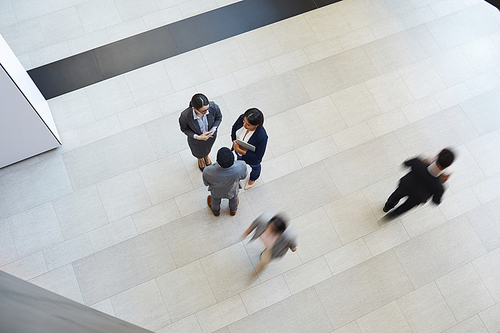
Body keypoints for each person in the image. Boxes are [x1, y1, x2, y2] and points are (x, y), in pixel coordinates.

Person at [383, 148, 456, 218]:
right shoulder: (439, 187)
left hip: (405, 185)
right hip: (417, 198)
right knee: (404, 208)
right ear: (447, 166)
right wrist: (442, 181)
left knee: (396, 196)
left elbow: (405, 164)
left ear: (438, 155)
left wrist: (424, 161)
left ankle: (387, 207)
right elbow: (435, 201)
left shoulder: (417, 162)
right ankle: (392, 215)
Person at [241, 212, 297, 278]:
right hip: (267, 243)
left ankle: (260, 269)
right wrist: (247, 232)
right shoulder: (263, 219)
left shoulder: (288, 236)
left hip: (273, 250)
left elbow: (293, 247)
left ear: (281, 232)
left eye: (275, 231)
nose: (271, 232)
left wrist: (293, 248)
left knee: (264, 260)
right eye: (271, 228)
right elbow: (254, 225)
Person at [179, 93, 222, 171]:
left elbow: (218, 118)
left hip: (210, 137)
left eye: (207, 109)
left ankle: (206, 156)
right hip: (196, 140)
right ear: (194, 109)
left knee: (208, 148)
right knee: (197, 151)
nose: (206, 112)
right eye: (203, 111)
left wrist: (214, 128)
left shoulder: (213, 107)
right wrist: (197, 137)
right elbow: (184, 129)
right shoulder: (185, 116)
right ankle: (200, 159)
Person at [203, 147, 247, 216]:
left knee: (215, 200)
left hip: (216, 192)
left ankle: (216, 211)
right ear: (233, 159)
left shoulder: (207, 171)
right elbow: (243, 176)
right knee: (234, 198)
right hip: (233, 190)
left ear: (217, 160)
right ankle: (233, 210)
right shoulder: (242, 165)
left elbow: (206, 183)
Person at [231, 108, 268, 190]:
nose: (244, 125)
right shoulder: (242, 118)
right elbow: (234, 128)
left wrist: (240, 151)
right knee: (239, 162)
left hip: (251, 158)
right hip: (238, 150)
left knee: (255, 167)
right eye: (244, 122)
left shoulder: (262, 136)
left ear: (257, 125)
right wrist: (234, 141)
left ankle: (253, 178)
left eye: (248, 125)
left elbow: (258, 156)